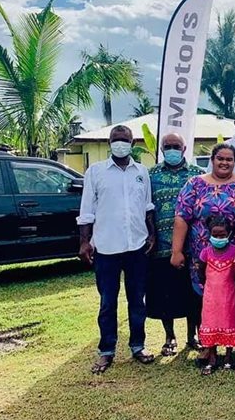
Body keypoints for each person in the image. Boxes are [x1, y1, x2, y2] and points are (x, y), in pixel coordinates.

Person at [77, 125, 156, 374]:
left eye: (124, 139)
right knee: (107, 303)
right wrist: (84, 241)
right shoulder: (96, 172)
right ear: (109, 142)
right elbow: (87, 210)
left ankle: (138, 346)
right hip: (106, 248)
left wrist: (152, 233)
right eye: (116, 139)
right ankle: (107, 350)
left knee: (137, 300)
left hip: (137, 247)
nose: (120, 143)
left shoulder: (141, 172)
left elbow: (147, 207)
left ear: (132, 143)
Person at [170, 143, 235, 366]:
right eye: (220, 158)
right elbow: (181, 218)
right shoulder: (195, 184)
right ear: (212, 159)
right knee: (206, 300)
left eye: (229, 159)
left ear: (234, 162)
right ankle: (207, 345)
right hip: (203, 255)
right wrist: (176, 251)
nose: (224, 163)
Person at [147, 133, 204, 356]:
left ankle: (192, 336)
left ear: (184, 148)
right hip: (160, 246)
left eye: (176, 146)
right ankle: (169, 337)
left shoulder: (197, 175)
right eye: (168, 146)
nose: (172, 149)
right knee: (165, 294)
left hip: (192, 247)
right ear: (162, 149)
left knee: (193, 294)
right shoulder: (150, 175)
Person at [197, 214, 235, 375]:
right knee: (210, 322)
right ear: (209, 234)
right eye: (215, 235)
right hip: (210, 296)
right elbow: (200, 272)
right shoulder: (206, 252)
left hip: (229, 295)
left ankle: (229, 357)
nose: (218, 238)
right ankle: (212, 358)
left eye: (222, 235)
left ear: (229, 234)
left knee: (229, 321)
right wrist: (207, 286)